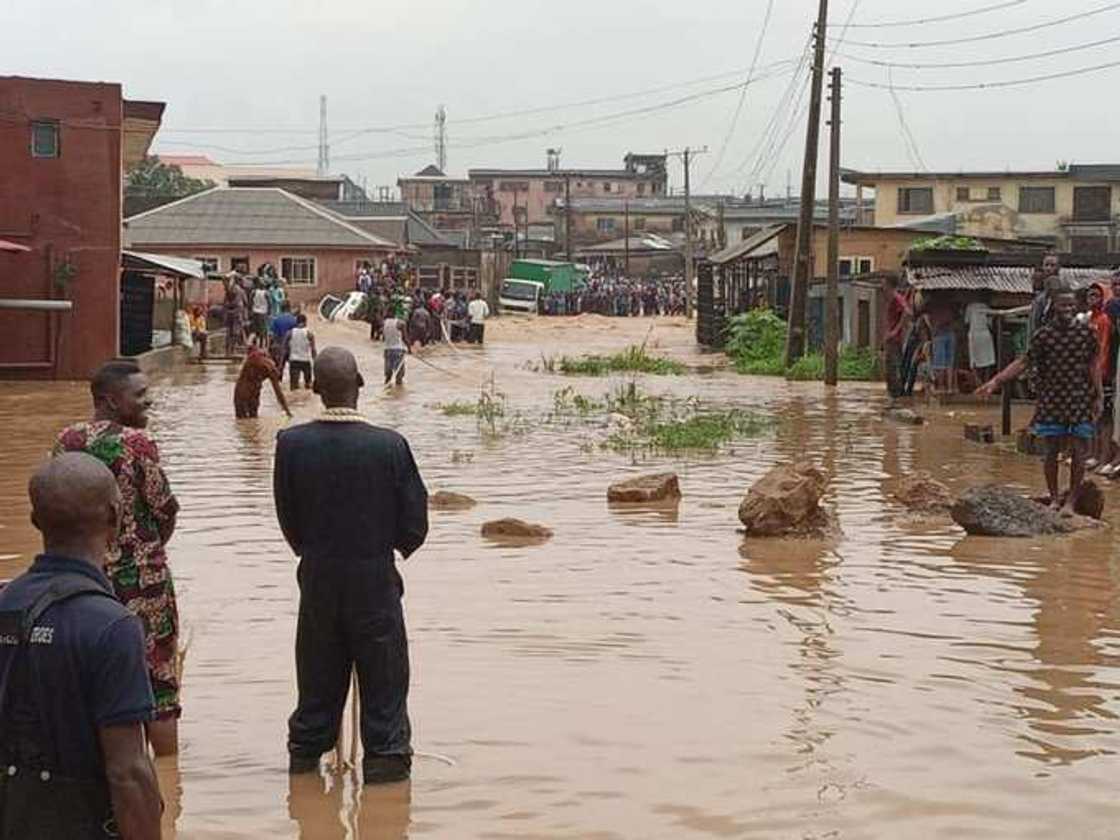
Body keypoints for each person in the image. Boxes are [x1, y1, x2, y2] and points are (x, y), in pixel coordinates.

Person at [273, 348, 428, 785]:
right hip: (375, 583)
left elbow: (289, 520)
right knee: (385, 695)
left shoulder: (291, 445)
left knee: (316, 690)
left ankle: (303, 787)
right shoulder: (390, 446)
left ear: (316, 389)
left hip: (318, 582)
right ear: (360, 384)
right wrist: (385, 547)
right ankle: (385, 802)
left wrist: (316, 550)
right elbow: (415, 525)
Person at [0, 454, 162, 839]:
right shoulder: (113, 626)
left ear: (36, 521)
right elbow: (128, 772)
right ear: (115, 517)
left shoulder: (5, 604)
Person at [52, 362, 181, 757]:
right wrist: (144, 549)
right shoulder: (138, 444)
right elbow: (164, 510)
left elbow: (52, 502)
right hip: (141, 579)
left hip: (77, 577)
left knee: (86, 678)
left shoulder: (66, 440)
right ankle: (166, 778)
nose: (149, 401)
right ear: (110, 401)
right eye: (139, 396)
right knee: (158, 681)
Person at [1028, 289, 1102, 514]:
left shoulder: (1087, 333)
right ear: (1053, 306)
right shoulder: (1043, 336)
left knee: (1079, 451)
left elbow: (1093, 365)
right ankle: (1053, 498)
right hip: (1052, 398)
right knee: (1051, 450)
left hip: (1080, 397)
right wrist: (997, 381)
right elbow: (1027, 362)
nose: (1068, 310)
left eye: (1071, 306)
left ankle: (1070, 501)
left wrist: (1099, 394)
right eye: (1063, 305)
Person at [978, 252, 1061, 397]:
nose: (1049, 268)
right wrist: (1006, 312)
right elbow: (1033, 309)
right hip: (1038, 344)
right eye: (1047, 265)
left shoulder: (1059, 294)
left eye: (1052, 265)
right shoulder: (1040, 296)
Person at [234, 346, 293, 419]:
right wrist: (287, 411)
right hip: (250, 391)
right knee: (252, 419)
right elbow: (278, 393)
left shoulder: (256, 356)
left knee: (242, 421)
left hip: (243, 391)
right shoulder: (270, 368)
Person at [882, 275, 911, 398]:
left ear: (889, 284)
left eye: (883, 283)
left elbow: (907, 312)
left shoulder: (896, 297)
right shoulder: (890, 298)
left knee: (893, 369)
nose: (882, 286)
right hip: (890, 340)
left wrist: (895, 331)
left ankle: (897, 396)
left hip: (895, 340)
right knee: (889, 370)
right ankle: (893, 396)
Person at [964, 296, 996, 387]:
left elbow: (967, 322)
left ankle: (979, 383)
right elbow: (990, 324)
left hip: (974, 334)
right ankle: (985, 382)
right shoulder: (986, 307)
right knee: (987, 360)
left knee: (974, 361)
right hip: (985, 334)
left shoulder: (970, 307)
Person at [288, 314, 317, 391]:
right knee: (308, 385)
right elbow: (313, 350)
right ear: (305, 322)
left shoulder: (290, 333)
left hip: (294, 361)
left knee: (293, 386)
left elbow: (284, 348)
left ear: (296, 322)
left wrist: (281, 364)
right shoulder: (309, 334)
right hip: (305, 361)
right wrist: (316, 363)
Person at [383, 310, 409, 387]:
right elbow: (405, 338)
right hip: (398, 350)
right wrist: (409, 348)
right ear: (395, 314)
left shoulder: (384, 323)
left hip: (387, 350)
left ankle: (388, 390)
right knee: (399, 376)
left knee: (388, 376)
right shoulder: (400, 323)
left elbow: (384, 337)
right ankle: (398, 394)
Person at [250, 282, 271, 347]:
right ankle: (262, 345)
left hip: (255, 312)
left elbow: (250, 301)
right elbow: (269, 303)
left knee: (256, 331)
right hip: (263, 313)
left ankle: (256, 344)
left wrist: (251, 309)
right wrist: (269, 312)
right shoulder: (266, 293)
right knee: (263, 330)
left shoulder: (254, 292)